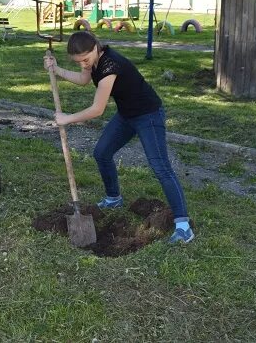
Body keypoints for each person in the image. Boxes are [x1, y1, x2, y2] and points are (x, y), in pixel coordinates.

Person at [43, 31, 194, 244]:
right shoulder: (92, 61)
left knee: (160, 167)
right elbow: (83, 80)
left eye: (86, 60)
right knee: (102, 153)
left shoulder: (110, 65)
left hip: (148, 115)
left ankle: (183, 225)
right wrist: (56, 69)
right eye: (79, 61)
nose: (84, 65)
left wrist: (67, 118)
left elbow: (97, 109)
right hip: (127, 115)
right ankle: (113, 198)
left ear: (96, 47)